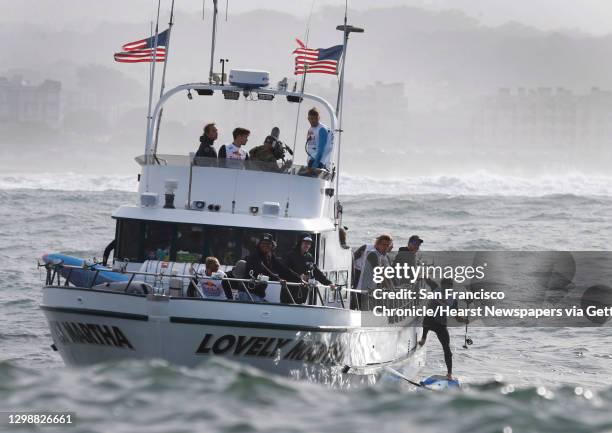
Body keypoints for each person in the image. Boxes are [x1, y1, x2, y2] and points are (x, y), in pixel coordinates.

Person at [418, 278, 467, 380]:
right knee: (429, 315)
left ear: (451, 287)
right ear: (442, 285)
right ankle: (423, 337)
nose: (447, 288)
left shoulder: (453, 300)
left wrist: (463, 320)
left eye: (449, 286)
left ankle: (449, 374)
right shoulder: (436, 288)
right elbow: (428, 280)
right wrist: (421, 275)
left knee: (447, 350)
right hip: (430, 321)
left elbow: (456, 316)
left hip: (441, 324)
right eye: (445, 286)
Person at [241, 233, 293, 302]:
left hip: (259, 294)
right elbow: (262, 272)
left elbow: (282, 268)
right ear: (259, 244)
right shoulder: (255, 255)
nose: (265, 245)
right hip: (248, 293)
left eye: (268, 244)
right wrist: (278, 279)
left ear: (272, 245)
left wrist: (299, 277)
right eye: (263, 243)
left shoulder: (270, 256)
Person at [283, 234, 334, 304]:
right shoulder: (290, 255)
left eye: (309, 244)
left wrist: (329, 283)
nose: (307, 245)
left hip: (302, 293)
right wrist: (299, 276)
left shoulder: (309, 257)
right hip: (289, 290)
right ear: (300, 243)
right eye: (305, 243)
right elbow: (284, 270)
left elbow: (316, 272)